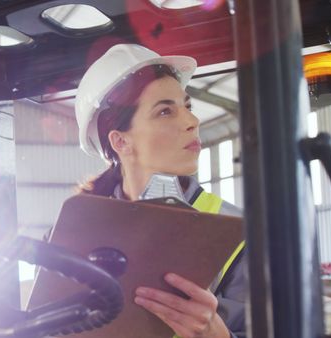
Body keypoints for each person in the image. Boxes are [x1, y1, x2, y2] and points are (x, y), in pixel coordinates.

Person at [74, 44, 246, 338]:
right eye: (166, 111)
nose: (192, 121)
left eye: (188, 107)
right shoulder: (76, 229)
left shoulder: (239, 232)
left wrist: (219, 336)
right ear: (121, 142)